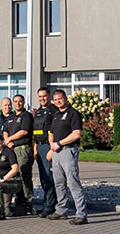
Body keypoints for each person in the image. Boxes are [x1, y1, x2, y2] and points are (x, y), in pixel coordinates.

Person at [47, 89, 87, 225]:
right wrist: (52, 145)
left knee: (73, 182)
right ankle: (61, 210)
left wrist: (59, 143)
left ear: (66, 98)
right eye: (56, 99)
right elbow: (51, 132)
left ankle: (81, 214)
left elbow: (76, 134)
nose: (58, 101)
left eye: (60, 98)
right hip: (57, 152)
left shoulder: (73, 114)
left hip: (68, 151)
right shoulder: (56, 114)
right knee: (59, 183)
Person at [3, 94, 34, 214]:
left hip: (22, 149)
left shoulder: (27, 116)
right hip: (11, 150)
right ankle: (18, 202)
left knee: (24, 176)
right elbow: (5, 130)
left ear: (24, 102)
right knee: (13, 175)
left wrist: (9, 139)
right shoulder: (10, 117)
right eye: (15, 101)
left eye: (20, 101)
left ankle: (28, 202)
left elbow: (24, 131)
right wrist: (7, 141)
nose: (17, 103)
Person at [33, 87, 57, 217]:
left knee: (49, 178)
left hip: (49, 147)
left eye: (44, 96)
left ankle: (50, 206)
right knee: (43, 179)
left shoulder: (54, 111)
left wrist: (52, 149)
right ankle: (48, 204)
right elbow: (36, 133)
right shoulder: (38, 112)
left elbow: (56, 131)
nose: (42, 99)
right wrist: (35, 149)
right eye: (40, 96)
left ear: (49, 96)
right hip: (40, 147)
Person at [0, 134, 21, 221]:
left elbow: (15, 169)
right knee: (8, 212)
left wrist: (3, 179)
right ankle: (11, 210)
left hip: (12, 181)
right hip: (1, 183)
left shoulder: (9, 152)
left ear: (2, 142)